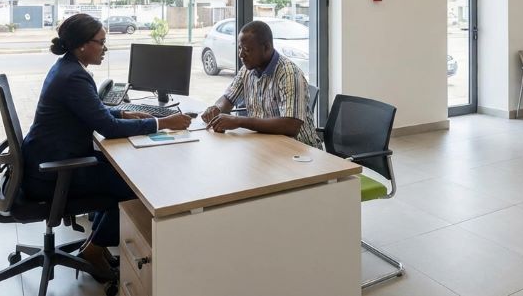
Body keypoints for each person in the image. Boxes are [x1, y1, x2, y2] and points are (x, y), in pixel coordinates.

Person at [21, 14, 191, 281]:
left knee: (122, 175)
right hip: (52, 173)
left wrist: (123, 113)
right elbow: (108, 128)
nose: (105, 48)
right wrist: (163, 122)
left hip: (46, 161)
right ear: (82, 45)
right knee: (135, 188)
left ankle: (94, 246)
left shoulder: (66, 68)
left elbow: (92, 111)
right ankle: (94, 250)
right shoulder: (74, 77)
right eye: (101, 42)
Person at [201, 20, 320, 147]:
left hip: (298, 148)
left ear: (266, 48)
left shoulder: (289, 74)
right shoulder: (247, 70)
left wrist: (239, 121)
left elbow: (291, 126)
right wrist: (217, 109)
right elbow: (228, 99)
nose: (241, 55)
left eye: (247, 50)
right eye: (239, 48)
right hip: (265, 144)